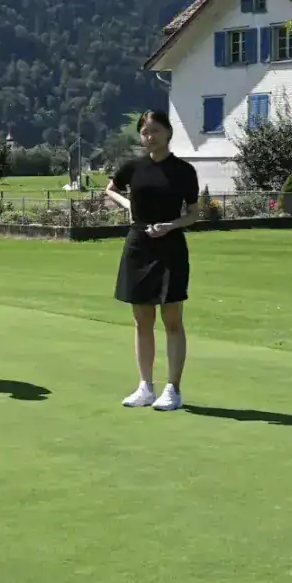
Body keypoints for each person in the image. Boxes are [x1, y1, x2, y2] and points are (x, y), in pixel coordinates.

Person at [106, 109, 199, 411]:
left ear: (168, 133)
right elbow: (110, 190)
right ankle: (145, 386)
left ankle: (173, 389)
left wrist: (171, 225)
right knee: (141, 320)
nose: (150, 136)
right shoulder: (133, 167)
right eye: (145, 132)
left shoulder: (184, 171)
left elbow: (194, 214)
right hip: (139, 246)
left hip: (170, 247)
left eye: (155, 131)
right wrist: (129, 207)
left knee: (172, 321)